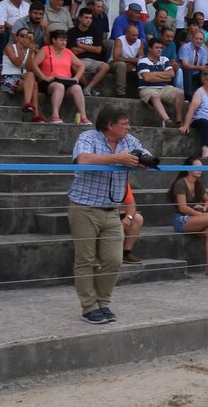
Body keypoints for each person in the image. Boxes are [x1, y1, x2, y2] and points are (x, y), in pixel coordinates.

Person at [67, 104, 151, 324]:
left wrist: (143, 162)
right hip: (84, 208)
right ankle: (88, 306)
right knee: (85, 260)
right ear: (109, 125)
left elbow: (146, 154)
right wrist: (118, 159)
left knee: (114, 259)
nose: (128, 127)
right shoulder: (88, 137)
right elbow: (82, 159)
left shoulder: (129, 141)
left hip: (112, 210)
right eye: (124, 124)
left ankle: (103, 302)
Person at [31, 30, 90, 123]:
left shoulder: (68, 52)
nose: (64, 42)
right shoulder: (45, 50)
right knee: (59, 86)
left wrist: (76, 78)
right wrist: (44, 77)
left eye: (65, 40)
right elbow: (33, 64)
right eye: (61, 40)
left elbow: (81, 65)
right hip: (49, 81)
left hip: (66, 80)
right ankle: (55, 115)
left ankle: (84, 117)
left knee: (77, 88)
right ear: (54, 40)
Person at [137, 38, 184, 127]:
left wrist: (153, 74)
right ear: (150, 49)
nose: (159, 50)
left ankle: (179, 120)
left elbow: (171, 74)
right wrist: (164, 77)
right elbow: (147, 78)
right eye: (157, 47)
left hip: (163, 88)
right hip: (147, 88)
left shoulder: (164, 59)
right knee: (154, 96)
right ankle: (167, 120)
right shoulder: (143, 61)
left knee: (180, 93)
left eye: (161, 48)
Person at [2, 26, 44, 122]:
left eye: (27, 36)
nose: (25, 38)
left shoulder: (30, 50)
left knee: (32, 78)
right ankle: (34, 112)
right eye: (22, 36)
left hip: (22, 78)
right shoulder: (9, 47)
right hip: (7, 78)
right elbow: (17, 63)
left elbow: (28, 68)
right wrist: (23, 51)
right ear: (16, 37)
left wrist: (30, 53)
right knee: (33, 83)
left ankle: (29, 106)